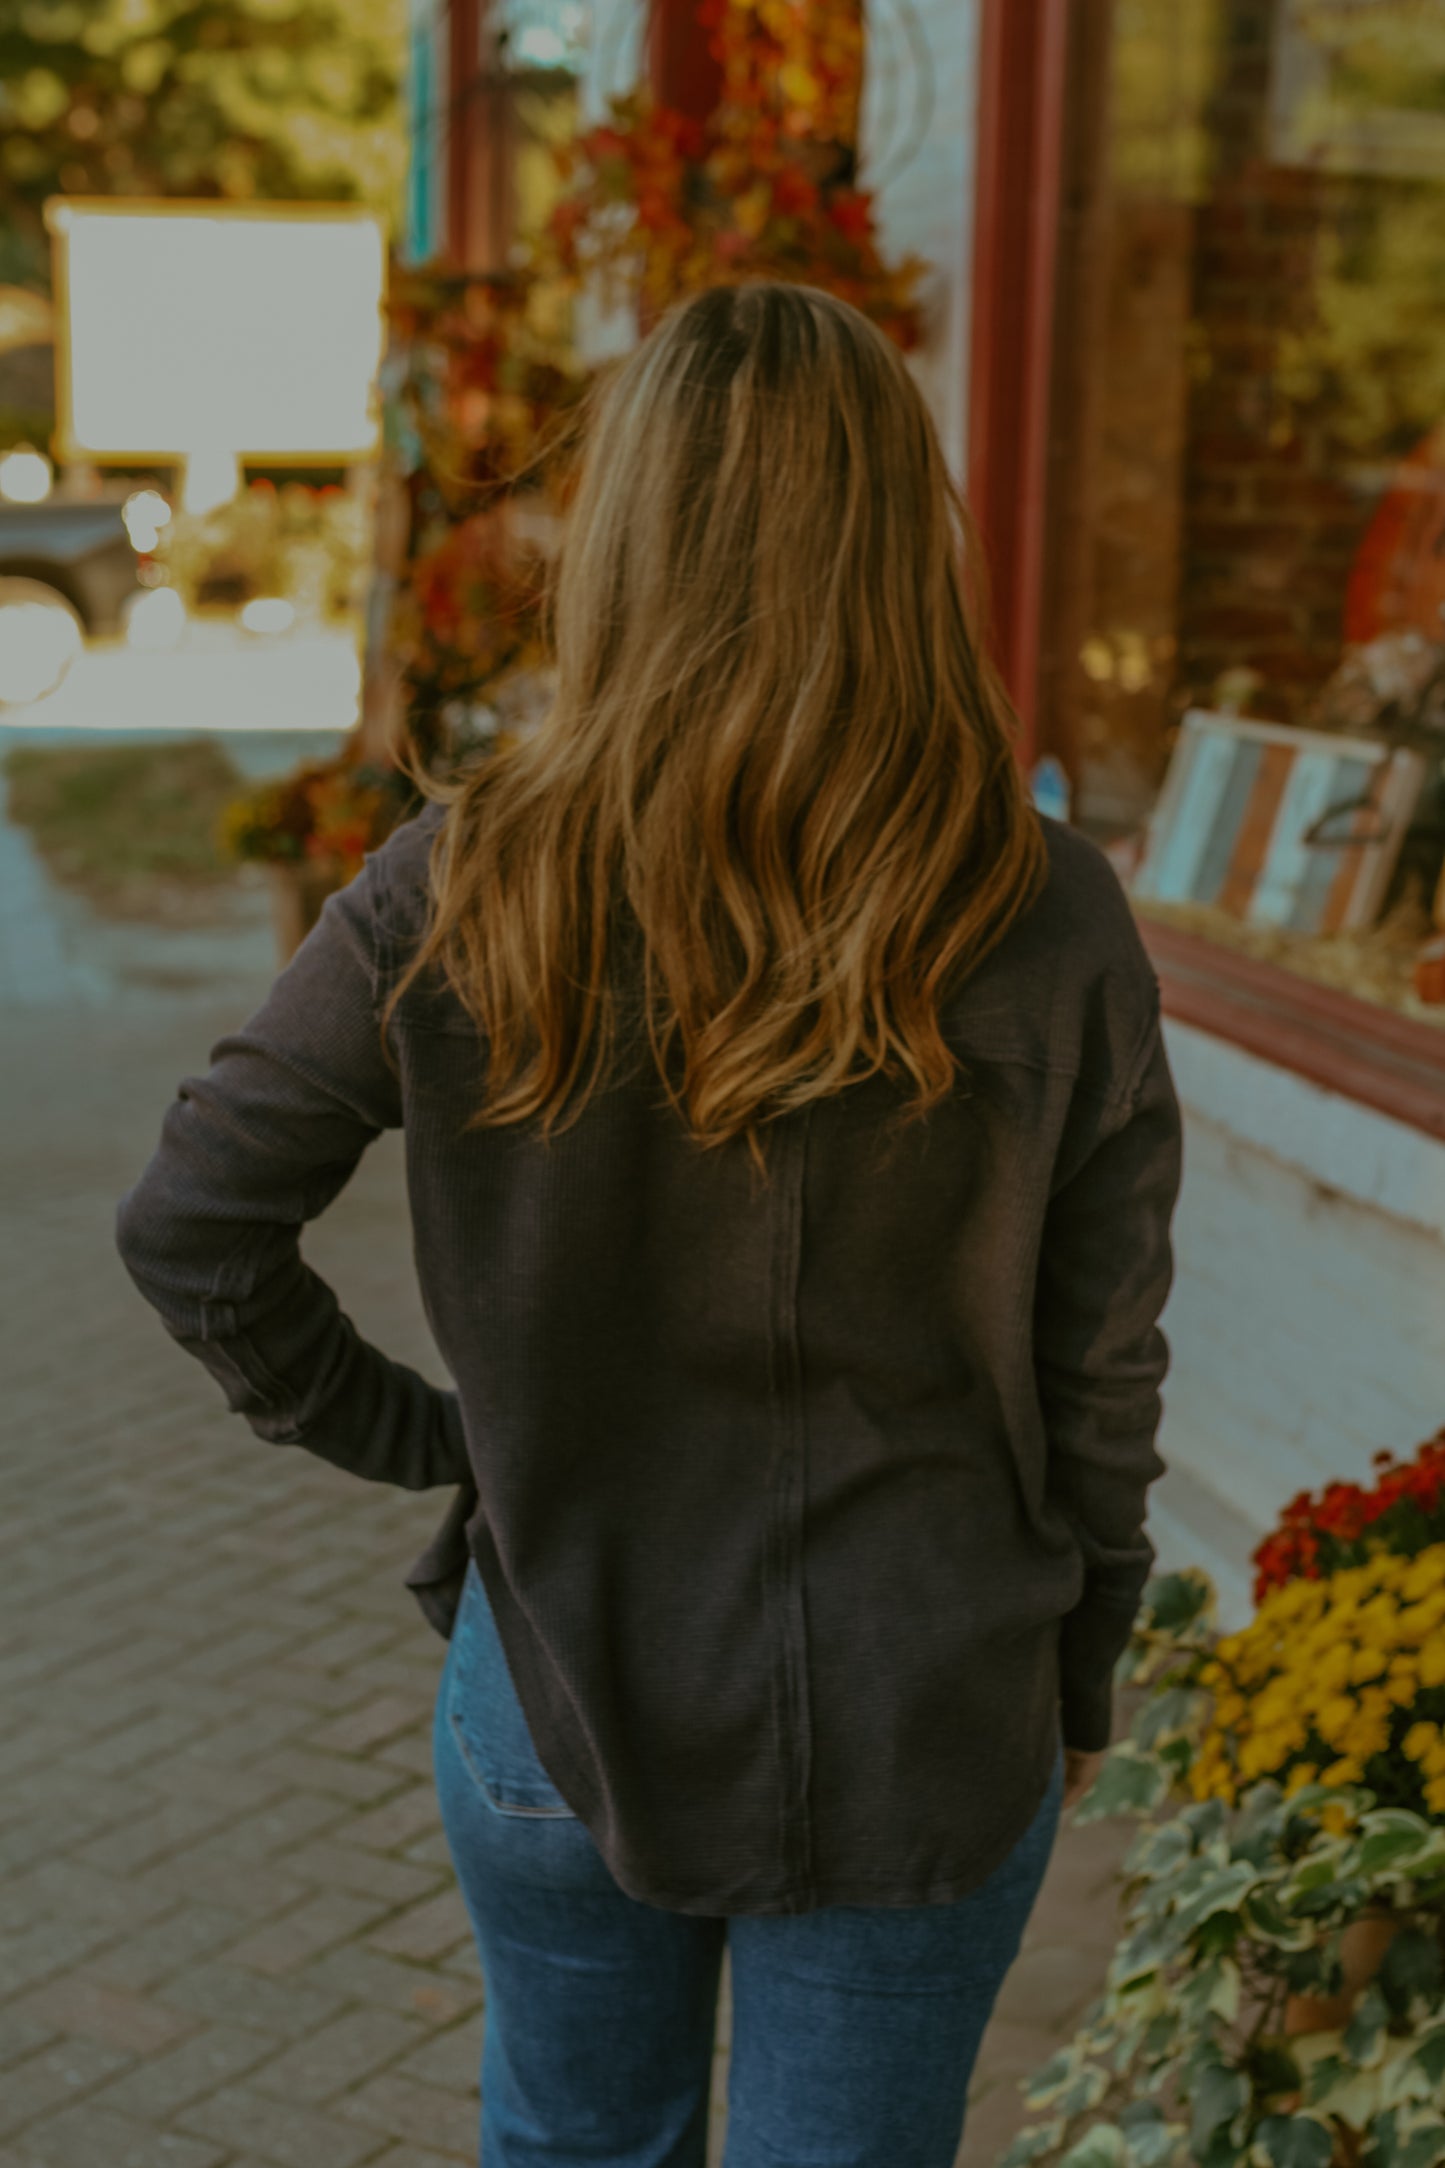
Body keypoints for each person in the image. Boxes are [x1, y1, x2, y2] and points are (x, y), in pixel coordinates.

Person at [117, 280, 1183, 2168]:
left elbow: (194, 1225)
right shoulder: (1047, 908)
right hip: (927, 1700)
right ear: (898, 534)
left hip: (559, 1683)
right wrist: (1083, 1657)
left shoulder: (471, 874)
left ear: (623, 537)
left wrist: (444, 1445)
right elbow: (1098, 1366)